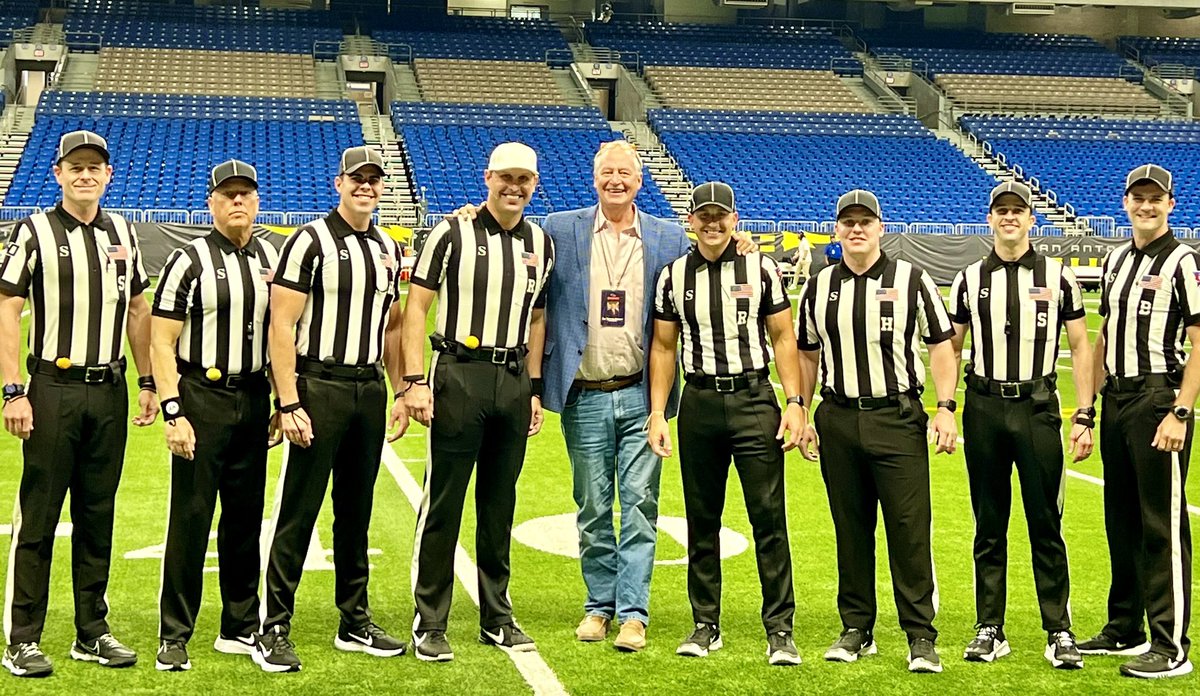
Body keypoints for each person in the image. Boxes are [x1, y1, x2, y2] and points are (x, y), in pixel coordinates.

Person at [0, 130, 158, 678]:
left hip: (109, 389)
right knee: (40, 516)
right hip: (53, 387)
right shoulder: (34, 230)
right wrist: (13, 388)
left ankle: (91, 631)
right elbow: (7, 308)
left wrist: (148, 383)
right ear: (58, 173)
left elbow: (139, 310)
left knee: (97, 515)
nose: (86, 174)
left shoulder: (123, 232)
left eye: (95, 167)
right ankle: (23, 638)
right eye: (76, 166)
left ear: (108, 175)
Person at [255, 146, 409, 673]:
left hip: (368, 388)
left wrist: (402, 390)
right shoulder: (308, 241)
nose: (366, 186)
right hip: (318, 383)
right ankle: (273, 624)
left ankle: (354, 618)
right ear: (338, 183)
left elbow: (390, 327)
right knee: (299, 508)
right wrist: (289, 399)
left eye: (374, 179)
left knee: (356, 509)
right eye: (357, 178)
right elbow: (280, 325)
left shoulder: (389, 247)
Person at [795, 189, 957, 674]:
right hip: (839, 416)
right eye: (849, 222)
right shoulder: (819, 285)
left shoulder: (912, 280)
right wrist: (801, 410)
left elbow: (943, 347)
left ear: (880, 227)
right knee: (851, 527)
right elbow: (806, 352)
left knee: (909, 529)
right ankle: (857, 626)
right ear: (837, 229)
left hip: (897, 415)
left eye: (866, 221)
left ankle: (919, 634)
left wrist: (945, 407)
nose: (857, 229)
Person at [404, 142, 554, 662]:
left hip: (511, 378)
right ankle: (430, 619)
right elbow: (416, 307)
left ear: (535, 184)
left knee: (499, 503)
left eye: (525, 180)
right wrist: (414, 381)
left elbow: (537, 319)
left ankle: (496, 615)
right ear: (488, 176)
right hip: (459, 373)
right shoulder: (451, 231)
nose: (515, 187)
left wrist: (533, 389)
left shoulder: (541, 241)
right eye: (506, 177)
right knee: (444, 501)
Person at [647, 182, 805, 666]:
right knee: (702, 519)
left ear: (734, 219)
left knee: (768, 518)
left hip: (755, 399)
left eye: (721, 216)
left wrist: (795, 401)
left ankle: (779, 628)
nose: (712, 224)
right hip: (699, 403)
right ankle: (705, 623)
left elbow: (783, 336)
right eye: (703, 216)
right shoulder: (673, 275)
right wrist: (658, 411)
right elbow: (663, 347)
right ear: (690, 221)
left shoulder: (760, 268)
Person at [947, 181, 1094, 669]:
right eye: (1001, 211)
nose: (1009, 217)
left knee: (1046, 523)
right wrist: (946, 406)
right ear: (990, 219)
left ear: (1033, 219)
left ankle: (1059, 629)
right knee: (989, 523)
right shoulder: (969, 277)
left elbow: (1081, 347)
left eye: (1018, 211)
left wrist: (1084, 412)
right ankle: (990, 626)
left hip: (1037, 406)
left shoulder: (1058, 275)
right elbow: (950, 346)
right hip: (985, 406)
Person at [151, 160, 280, 671]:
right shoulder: (189, 260)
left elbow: (286, 332)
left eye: (245, 194)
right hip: (201, 395)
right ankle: (175, 632)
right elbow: (161, 342)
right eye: (227, 195)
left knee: (245, 520)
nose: (237, 202)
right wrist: (173, 410)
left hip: (252, 398)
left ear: (256, 200)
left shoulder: (273, 255)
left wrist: (279, 397)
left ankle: (240, 625)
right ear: (211, 202)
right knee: (191, 515)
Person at [1079, 164, 1198, 679]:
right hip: (1118, 399)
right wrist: (1089, 405)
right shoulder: (1115, 259)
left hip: (1158, 397)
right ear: (1125, 202)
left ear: (1171, 204)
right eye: (1138, 198)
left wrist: (1181, 410)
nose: (1146, 206)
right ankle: (1125, 625)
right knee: (1121, 519)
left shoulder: (1183, 260)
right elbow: (1106, 331)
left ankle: (1171, 645)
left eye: (1156, 198)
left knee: (1161, 523)